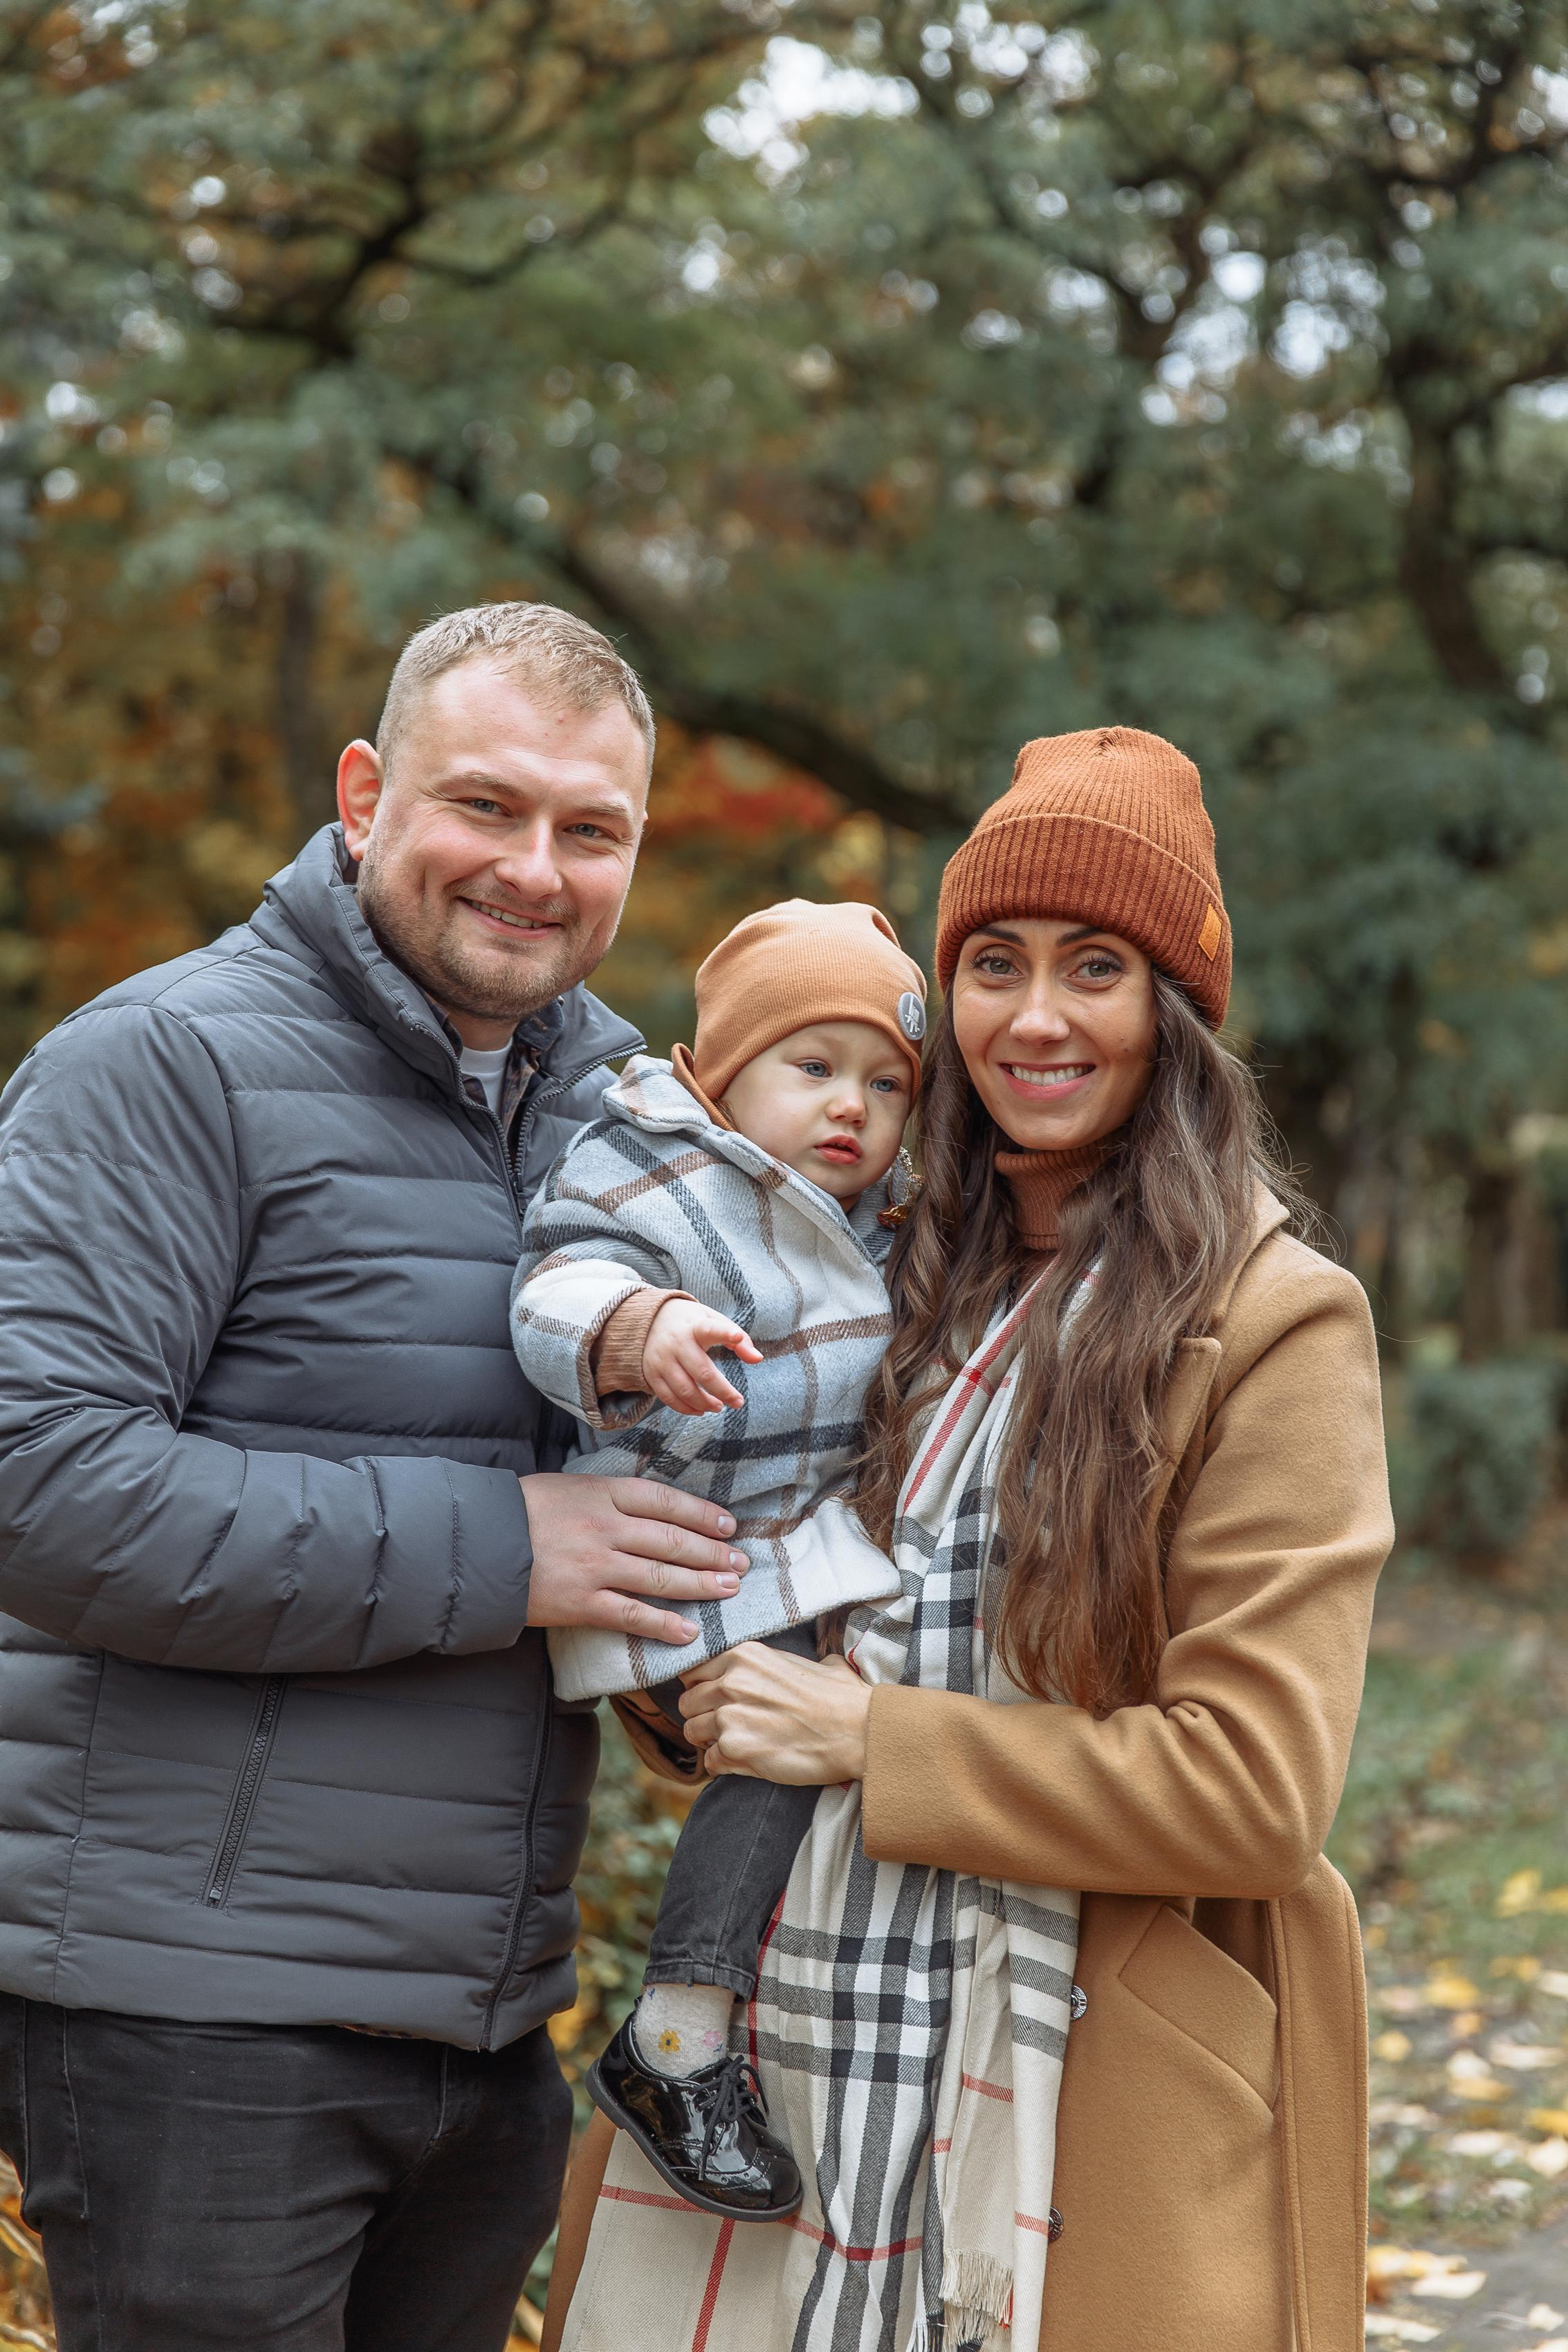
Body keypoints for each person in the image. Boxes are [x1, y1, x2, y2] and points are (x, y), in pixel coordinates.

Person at [544, 724, 1395, 2352]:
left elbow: (1258, 1789)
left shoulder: (1274, 1324)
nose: (1038, 1014)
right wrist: (691, 1674)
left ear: (1177, 1013)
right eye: (992, 962)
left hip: (1071, 2069)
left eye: (1098, 965)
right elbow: (753, 1678)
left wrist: (872, 1738)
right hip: (785, 2056)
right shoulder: (882, 1282)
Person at [0, 601, 750, 2352]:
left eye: (593, 829)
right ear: (363, 791)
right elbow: (40, 1484)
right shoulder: (165, 1065)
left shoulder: (620, 1111)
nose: (535, 869)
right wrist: (511, 1545)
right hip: (193, 2021)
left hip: (490, 2028)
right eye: (485, 805)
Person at [512, 900, 925, 2222]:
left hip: (792, 1542)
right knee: (774, 1747)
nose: (850, 1109)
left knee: (820, 1741)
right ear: (720, 1070)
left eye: (886, 1084)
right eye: (813, 1068)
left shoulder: (889, 1217)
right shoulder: (659, 1162)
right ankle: (676, 2037)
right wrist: (640, 1327)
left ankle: (717, 2022)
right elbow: (551, 1285)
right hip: (668, 1541)